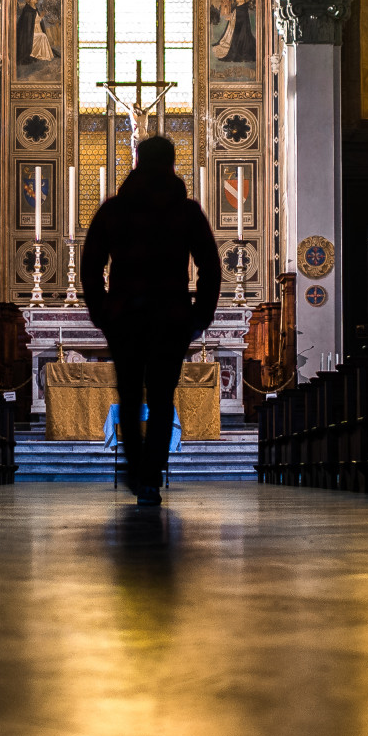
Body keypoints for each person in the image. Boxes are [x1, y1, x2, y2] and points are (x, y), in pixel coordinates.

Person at [82, 136, 221, 505]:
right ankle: (150, 478)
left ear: (138, 163)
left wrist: (102, 311)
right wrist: (199, 315)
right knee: (162, 399)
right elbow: (210, 265)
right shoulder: (186, 211)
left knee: (129, 396)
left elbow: (91, 265)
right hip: (170, 317)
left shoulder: (114, 210)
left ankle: (135, 470)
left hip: (125, 316)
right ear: (173, 165)